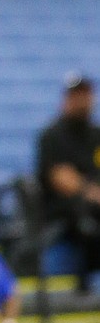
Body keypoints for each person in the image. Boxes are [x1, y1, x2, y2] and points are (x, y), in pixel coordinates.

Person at [37, 75, 100, 289]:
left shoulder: (96, 135)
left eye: (87, 94)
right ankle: (84, 286)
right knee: (85, 216)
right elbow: (62, 179)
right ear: (67, 98)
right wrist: (90, 191)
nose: (83, 99)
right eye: (78, 94)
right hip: (65, 215)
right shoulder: (53, 135)